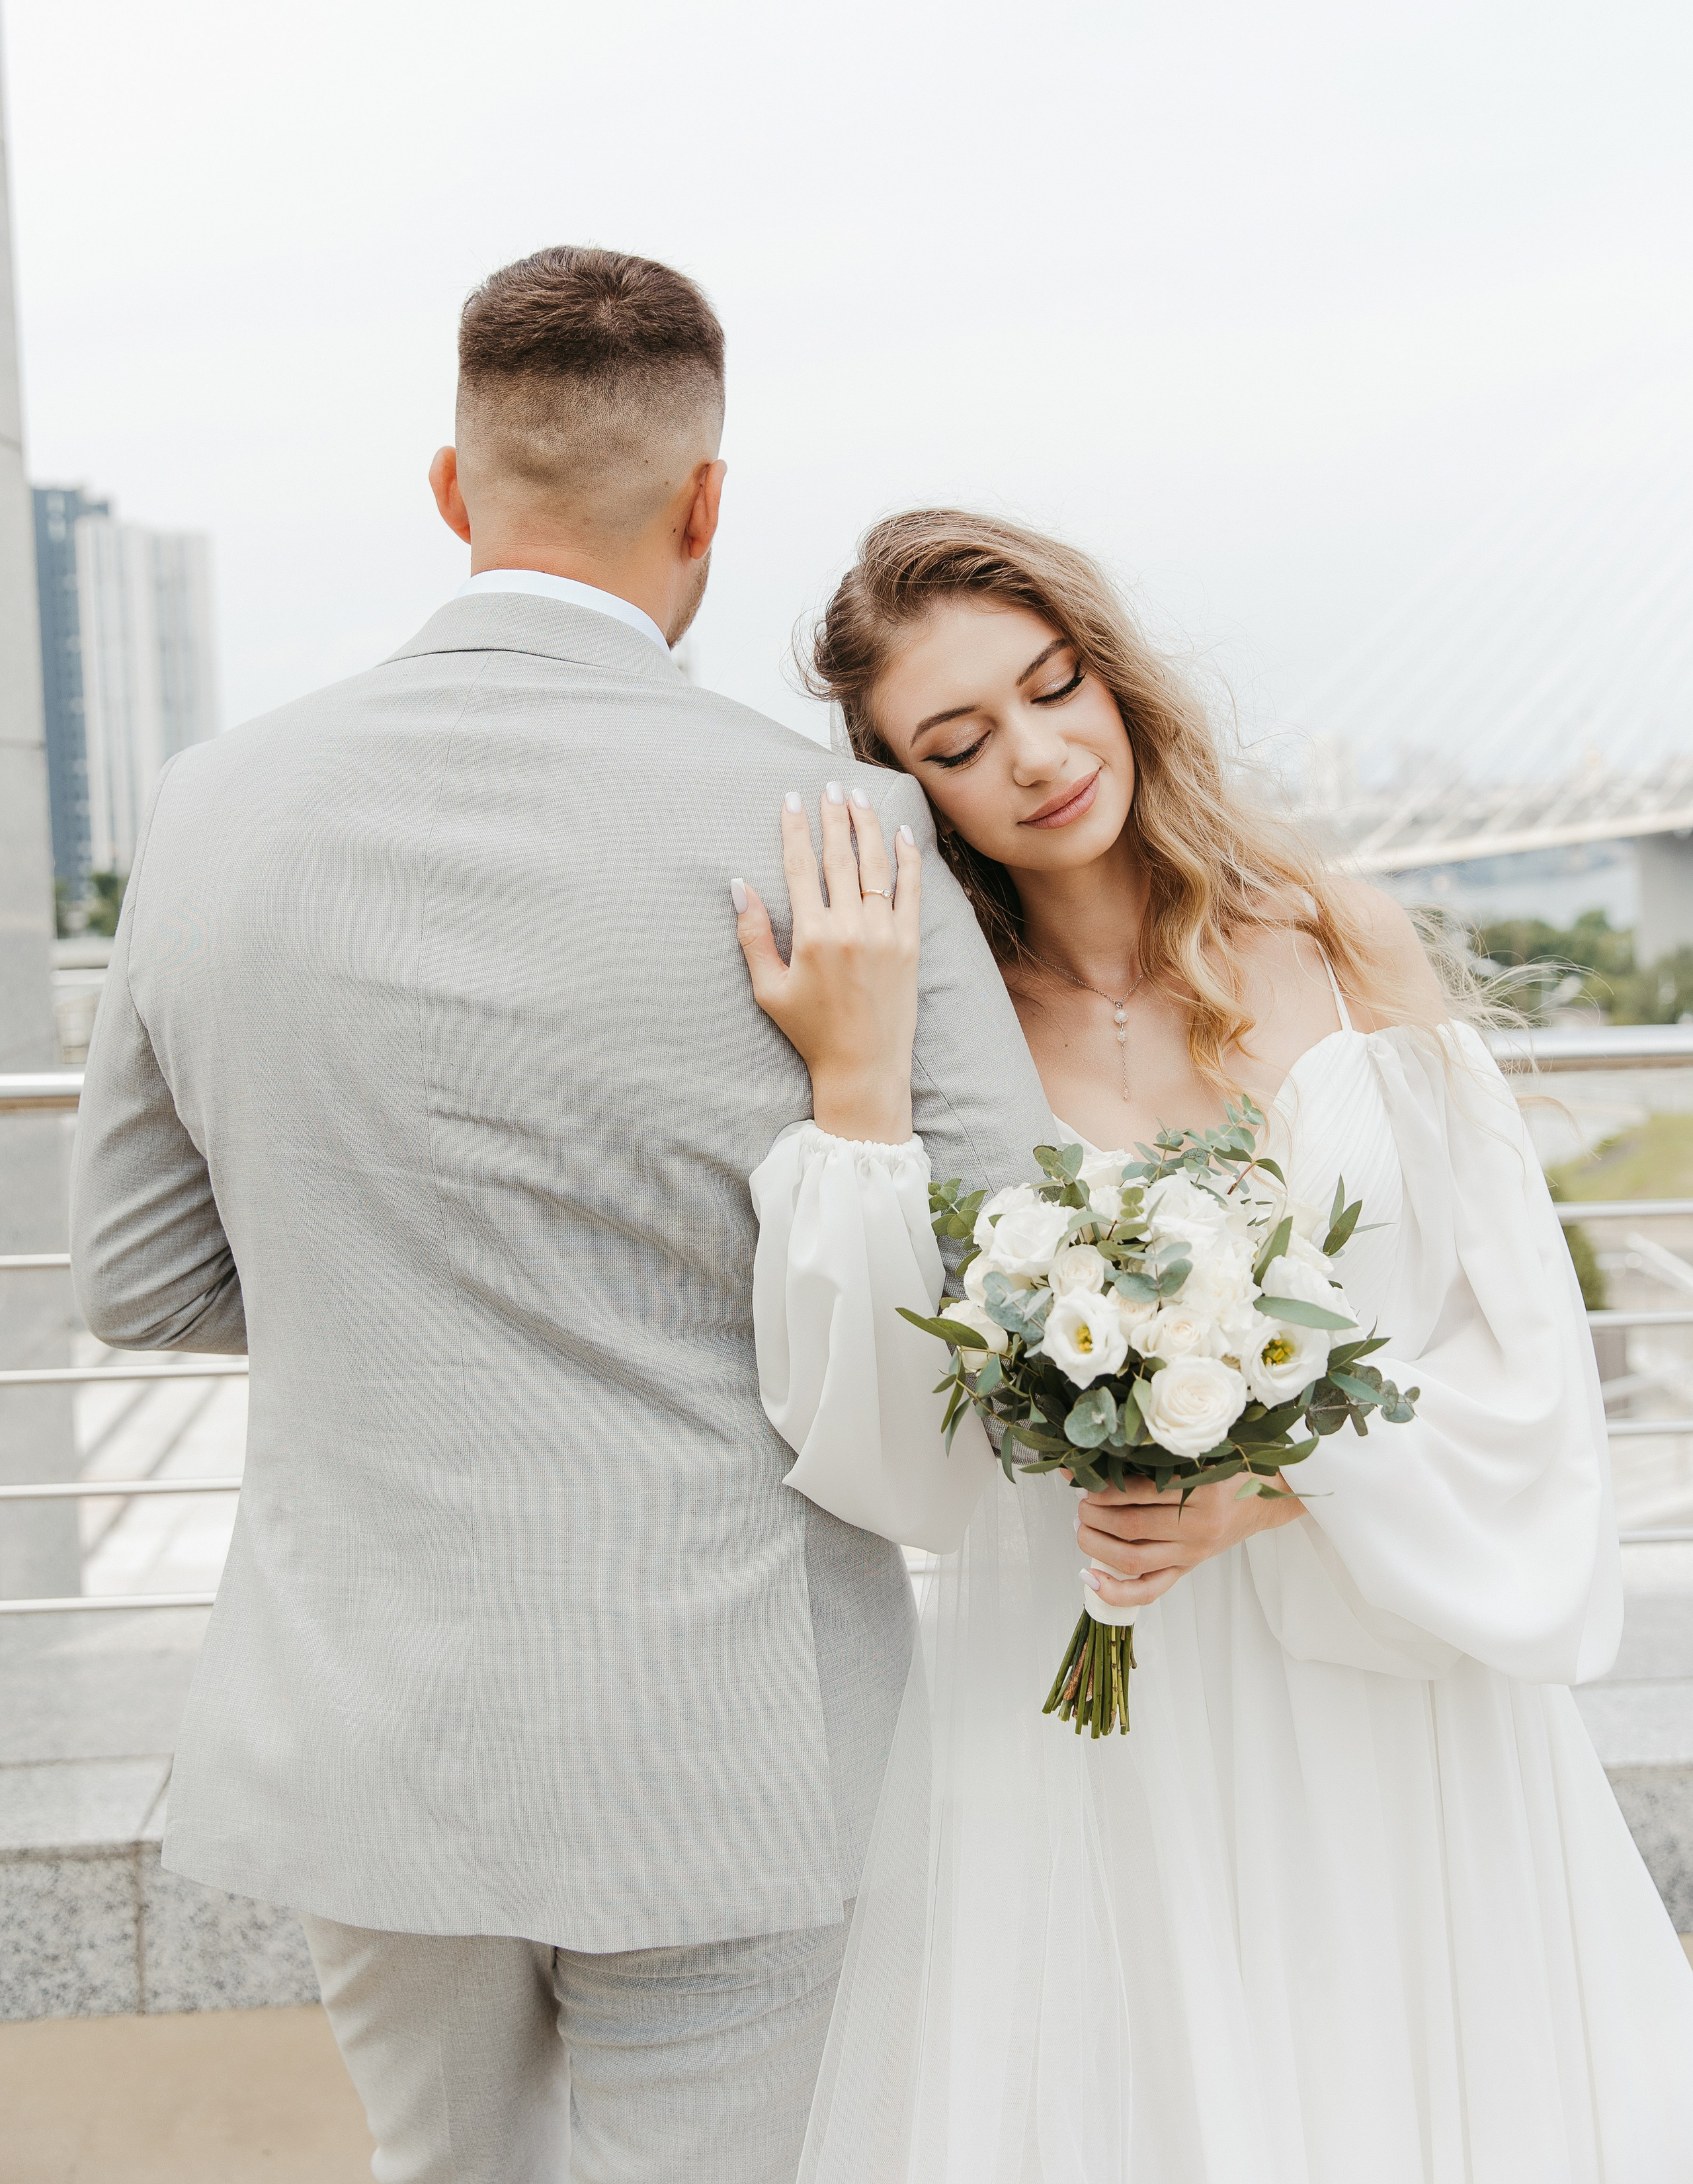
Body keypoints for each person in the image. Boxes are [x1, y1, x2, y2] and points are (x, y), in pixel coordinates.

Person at [67, 253, 1055, 2184]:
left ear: (452, 488)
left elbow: (138, 1275)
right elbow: (1001, 1264)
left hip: (365, 1714)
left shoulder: (208, 806)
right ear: (707, 504)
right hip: (734, 1726)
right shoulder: (841, 830)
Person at [733, 509, 1693, 2182]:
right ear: (909, 787)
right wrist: (857, 1090)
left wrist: (1285, 1485)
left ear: (1114, 675)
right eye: (956, 743)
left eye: (1052, 688)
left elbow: (1509, 1338)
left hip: (1382, 1670)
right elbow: (888, 1447)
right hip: (1087, 1680)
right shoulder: (936, 1025)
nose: (1034, 757)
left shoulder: (1335, 938)